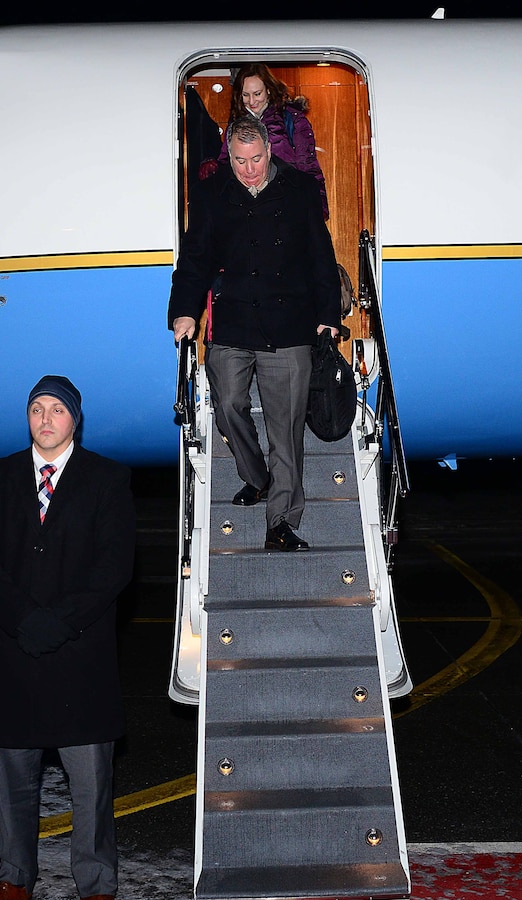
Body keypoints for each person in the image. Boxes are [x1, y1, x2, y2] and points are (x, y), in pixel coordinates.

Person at [0, 375, 136, 900]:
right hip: (11, 656)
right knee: (13, 785)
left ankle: (97, 892)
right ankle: (13, 882)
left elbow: (115, 567)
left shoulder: (108, 479)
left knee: (91, 790)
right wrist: (24, 620)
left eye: (57, 409)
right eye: (37, 408)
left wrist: (58, 622)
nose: (45, 418)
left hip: (79, 658)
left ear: (75, 419)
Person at [169, 115, 340, 552]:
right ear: (229, 154)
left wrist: (328, 315)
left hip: (289, 324)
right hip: (234, 320)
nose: (249, 169)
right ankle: (258, 478)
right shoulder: (211, 195)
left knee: (285, 431)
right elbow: (195, 260)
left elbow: (321, 256)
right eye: (240, 160)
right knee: (227, 406)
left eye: (256, 159)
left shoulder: (299, 189)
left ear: (269, 149)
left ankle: (280, 522)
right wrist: (185, 312)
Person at [200, 64, 330, 220]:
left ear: (268, 89)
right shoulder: (235, 124)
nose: (252, 101)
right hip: (248, 206)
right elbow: (227, 164)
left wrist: (319, 207)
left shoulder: (291, 118)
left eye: (257, 93)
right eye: (245, 95)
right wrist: (212, 167)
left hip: (286, 202)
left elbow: (308, 165)